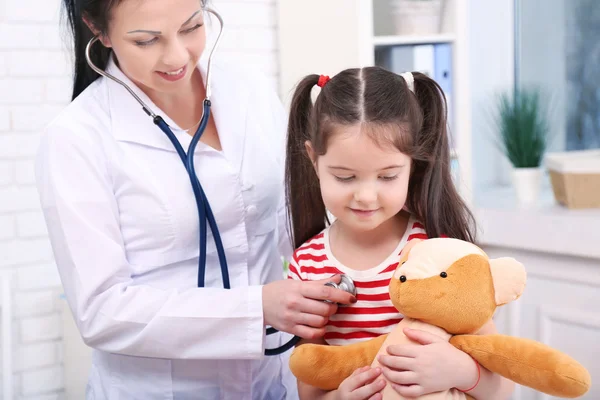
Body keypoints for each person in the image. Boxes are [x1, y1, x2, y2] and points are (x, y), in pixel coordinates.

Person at [34, 0, 357, 398]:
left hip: (275, 380)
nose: (176, 56)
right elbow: (101, 312)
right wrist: (256, 308)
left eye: (191, 27)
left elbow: (295, 226)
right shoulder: (76, 138)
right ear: (98, 30)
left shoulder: (247, 89)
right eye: (146, 40)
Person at [284, 68, 516, 400]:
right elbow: (309, 385)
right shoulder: (307, 266)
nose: (365, 195)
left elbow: (502, 387)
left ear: (412, 165)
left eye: (388, 176)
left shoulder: (438, 250)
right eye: (345, 177)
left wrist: (460, 371)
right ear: (313, 159)